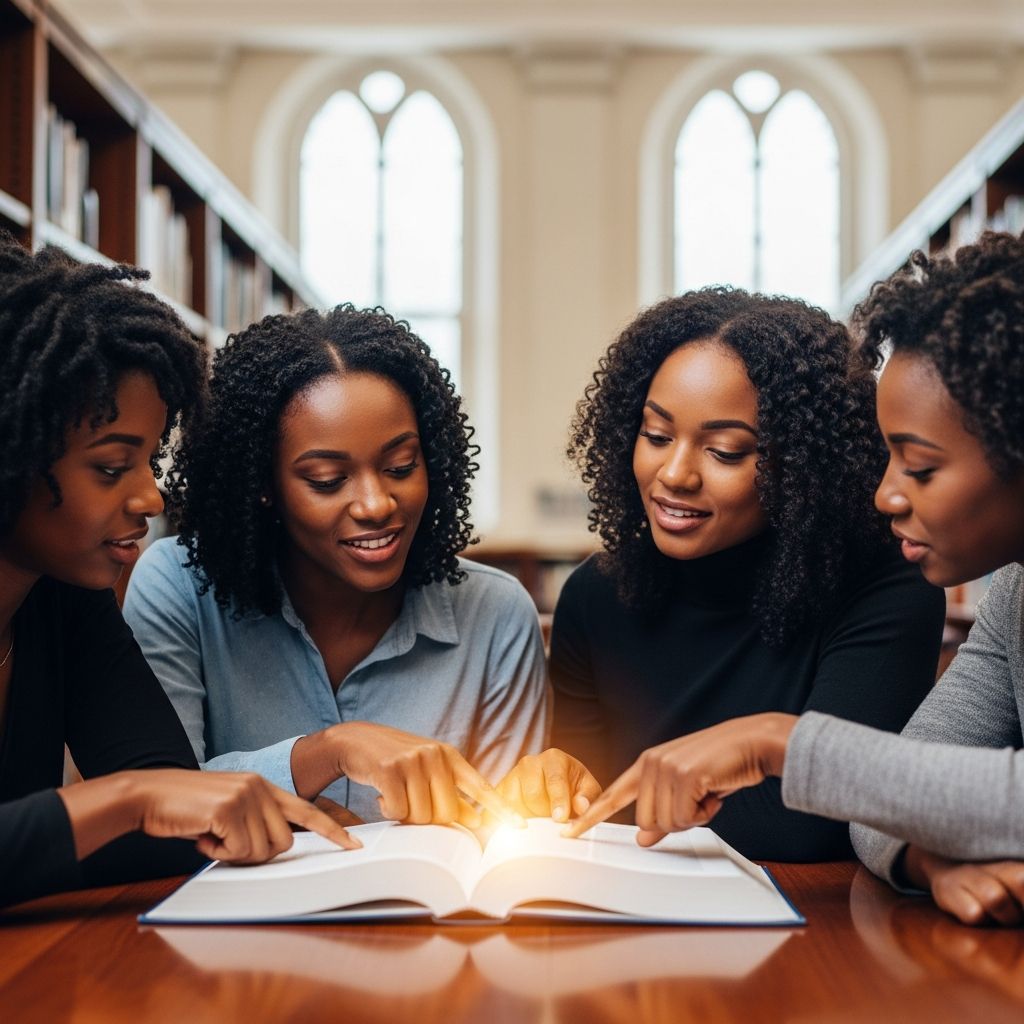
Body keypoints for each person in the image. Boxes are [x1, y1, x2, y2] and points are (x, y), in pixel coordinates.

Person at [565, 231, 1024, 926]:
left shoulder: (888, 585)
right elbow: (889, 798)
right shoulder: (1012, 600)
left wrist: (779, 744)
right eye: (657, 435)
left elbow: (873, 797)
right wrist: (927, 857)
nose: (886, 496)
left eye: (920, 467)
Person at [501, 288, 945, 861]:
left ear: (803, 465)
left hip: (807, 931)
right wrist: (554, 784)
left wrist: (617, 803)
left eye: (727, 452)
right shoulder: (595, 595)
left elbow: (815, 824)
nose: (675, 474)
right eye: (656, 436)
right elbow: (579, 807)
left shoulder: (886, 589)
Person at [0, 234, 355, 909]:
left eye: (151, 460)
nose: (151, 498)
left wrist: (250, 819)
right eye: (110, 467)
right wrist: (129, 801)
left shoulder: (67, 596)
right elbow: (145, 800)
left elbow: (171, 806)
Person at [123, 305, 547, 827]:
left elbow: (507, 831)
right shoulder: (178, 586)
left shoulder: (498, 615)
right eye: (326, 479)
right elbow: (154, 796)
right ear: (262, 487)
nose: (376, 504)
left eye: (400, 467)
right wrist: (328, 752)